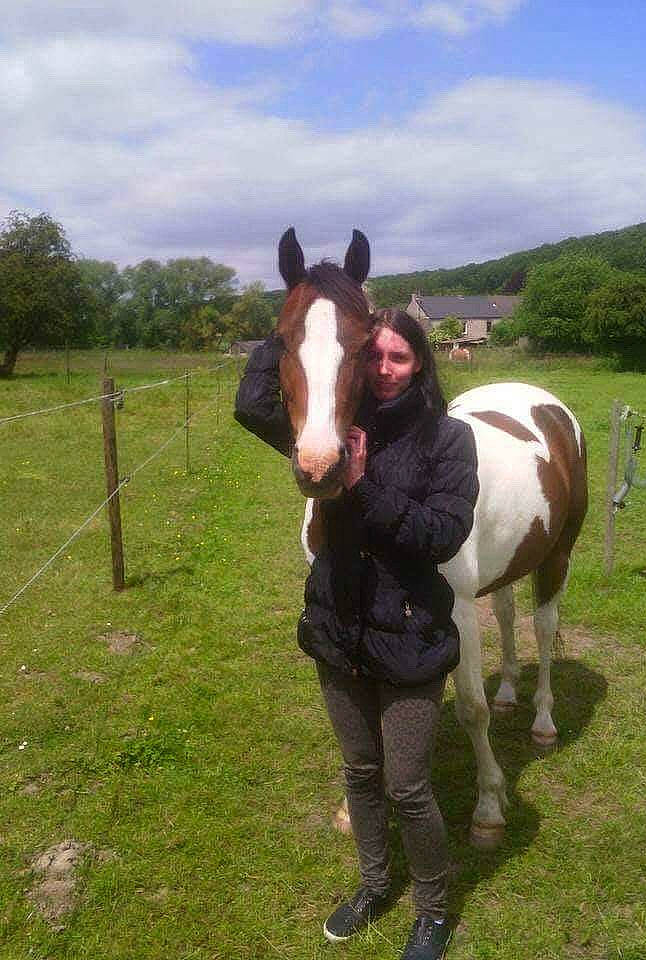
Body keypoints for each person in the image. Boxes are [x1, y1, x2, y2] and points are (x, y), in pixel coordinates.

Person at [235, 308, 478, 960]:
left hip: (409, 635)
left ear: (420, 364)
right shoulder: (331, 428)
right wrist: (293, 320)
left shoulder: (448, 439)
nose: (385, 369)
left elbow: (442, 535)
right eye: (374, 356)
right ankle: (374, 885)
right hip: (339, 629)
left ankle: (433, 910)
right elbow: (251, 405)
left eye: (399, 357)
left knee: (408, 786)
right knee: (361, 771)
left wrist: (362, 486)